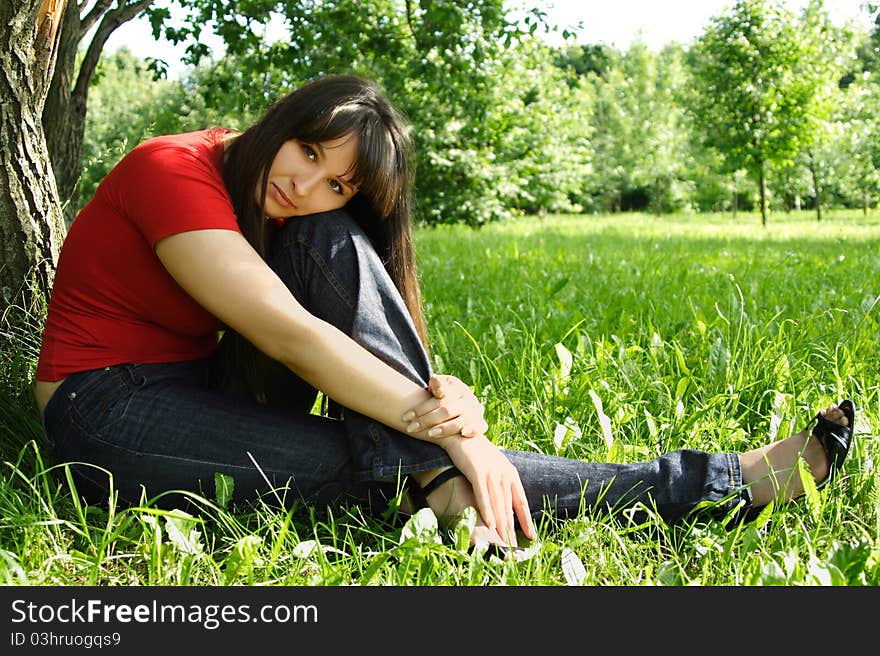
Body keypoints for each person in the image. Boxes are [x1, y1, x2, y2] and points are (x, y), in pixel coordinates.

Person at [34, 75, 856, 552]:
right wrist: (457, 435)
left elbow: (326, 309)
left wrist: (430, 392)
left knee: (327, 246)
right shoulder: (169, 168)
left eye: (339, 182)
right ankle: (716, 486)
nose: (305, 184)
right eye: (308, 151)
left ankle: (432, 477)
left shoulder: (293, 211)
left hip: (204, 383)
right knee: (368, 464)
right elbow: (287, 332)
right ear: (281, 123)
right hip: (108, 408)